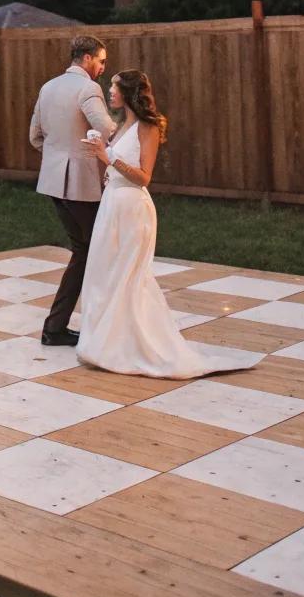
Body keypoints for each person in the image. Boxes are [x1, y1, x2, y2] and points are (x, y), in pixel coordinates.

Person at [77, 70, 262, 378]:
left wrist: (107, 157)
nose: (109, 92)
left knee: (129, 277)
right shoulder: (123, 125)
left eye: (114, 87)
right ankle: (108, 342)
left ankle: (140, 346)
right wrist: (105, 158)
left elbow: (144, 177)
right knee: (105, 273)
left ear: (129, 92)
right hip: (112, 205)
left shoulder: (147, 128)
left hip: (134, 208)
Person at [29, 35, 116, 346]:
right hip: (81, 185)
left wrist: (57, 155)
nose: (103, 68)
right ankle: (103, 328)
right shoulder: (88, 88)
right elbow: (107, 129)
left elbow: (35, 136)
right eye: (102, 61)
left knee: (84, 252)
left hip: (54, 183)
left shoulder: (48, 87)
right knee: (100, 252)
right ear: (87, 58)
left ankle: (55, 328)